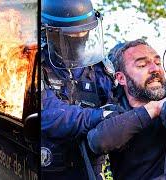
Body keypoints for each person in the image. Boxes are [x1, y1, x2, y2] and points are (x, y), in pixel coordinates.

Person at [87, 39, 166, 179]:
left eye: (158, 63)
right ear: (121, 78)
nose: (155, 69)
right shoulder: (113, 108)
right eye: (142, 65)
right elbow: (99, 141)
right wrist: (156, 108)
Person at [41, 0, 117, 179]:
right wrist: (99, 116)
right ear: (49, 33)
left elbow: (121, 103)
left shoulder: (101, 69)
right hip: (50, 169)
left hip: (91, 169)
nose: (80, 37)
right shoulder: (37, 66)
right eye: (73, 35)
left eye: (85, 32)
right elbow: (49, 115)